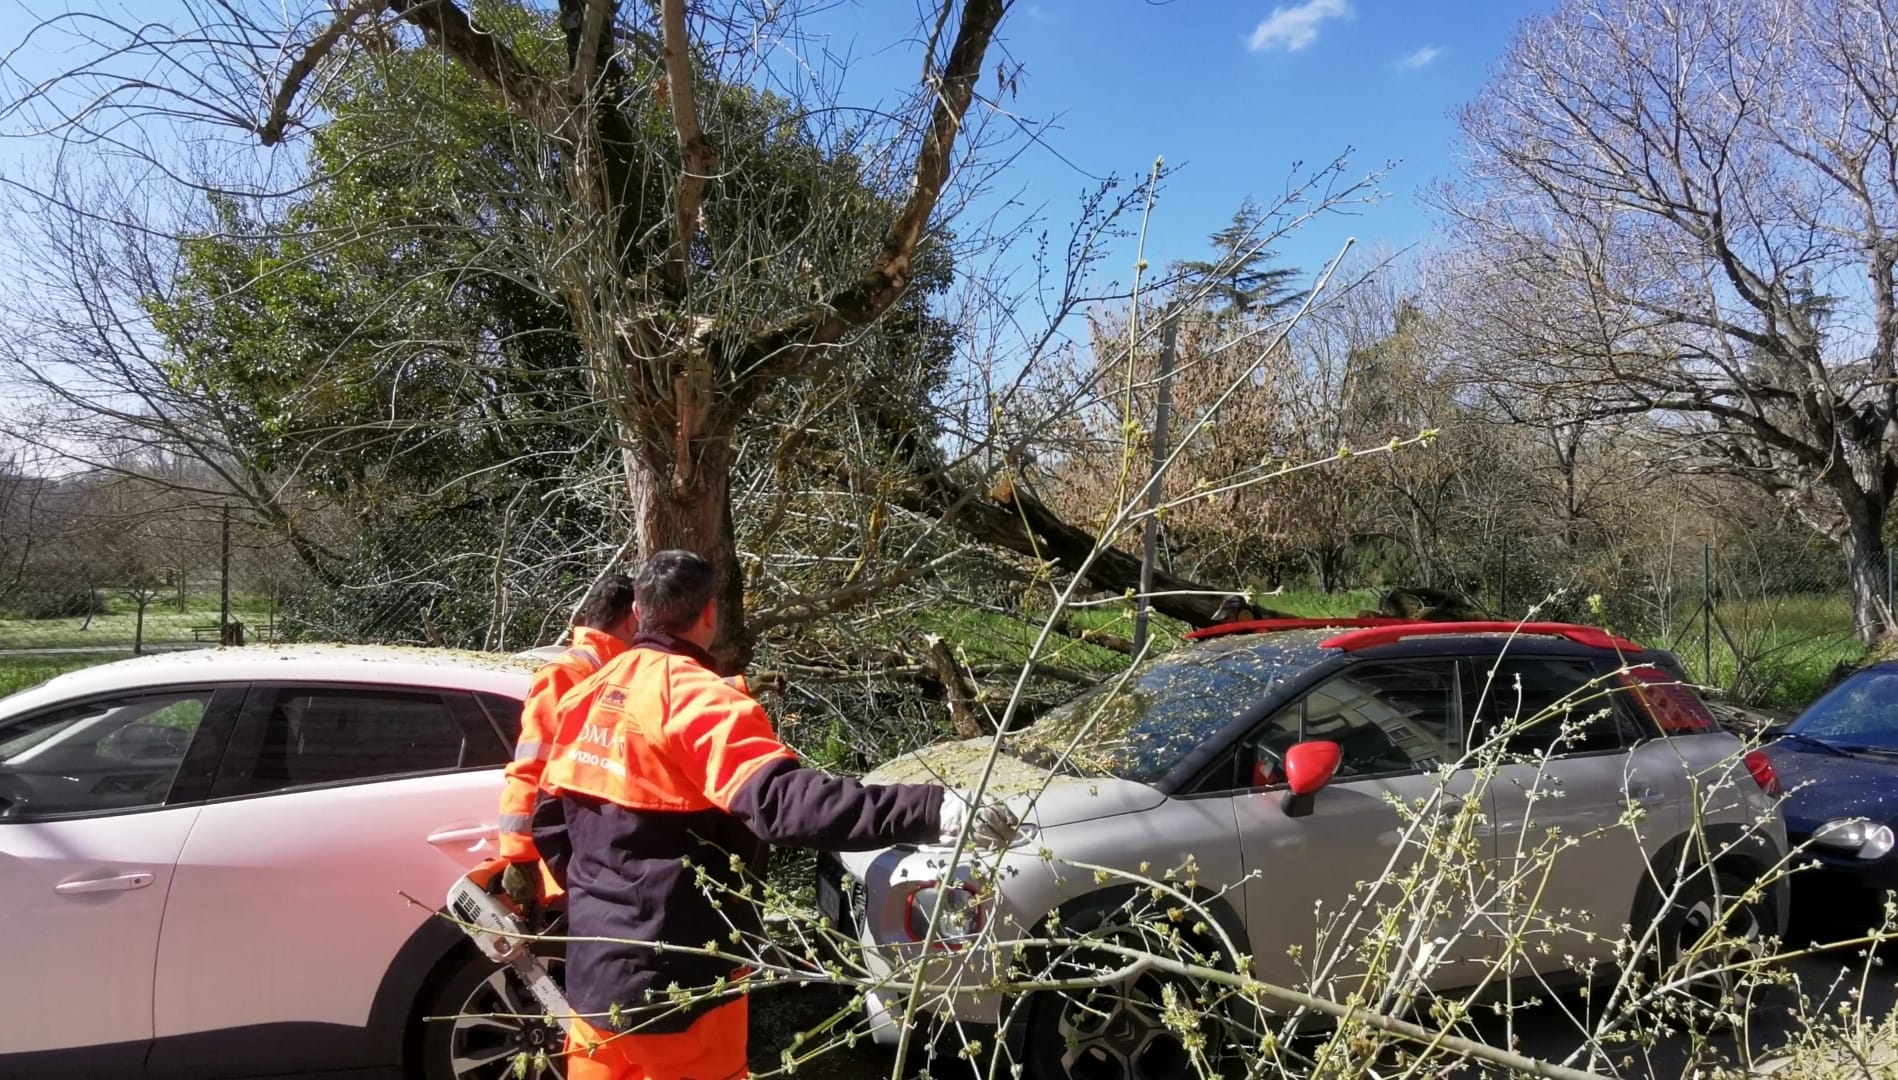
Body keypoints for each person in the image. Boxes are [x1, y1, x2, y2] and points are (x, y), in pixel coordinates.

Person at [541, 550, 1017, 1080]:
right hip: (681, 992)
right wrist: (936, 808)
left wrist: (600, 904)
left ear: (639, 609)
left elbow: (548, 822)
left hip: (592, 986)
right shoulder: (697, 699)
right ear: (709, 614)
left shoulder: (584, 694)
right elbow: (784, 804)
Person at [496, 573, 639, 906]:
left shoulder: (619, 672)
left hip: (599, 853)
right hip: (572, 856)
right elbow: (531, 767)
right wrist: (520, 856)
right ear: (634, 620)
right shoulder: (565, 676)